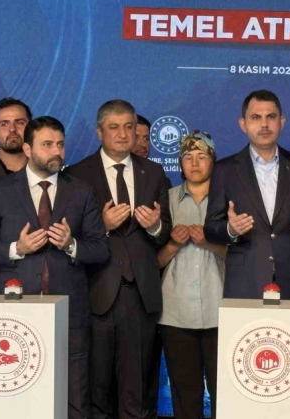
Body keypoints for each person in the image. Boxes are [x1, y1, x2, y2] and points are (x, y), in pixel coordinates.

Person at [0, 116, 109, 418]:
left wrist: (71, 245)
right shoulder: (0, 191)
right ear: (27, 149)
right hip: (16, 312)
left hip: (70, 311)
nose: (56, 151)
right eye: (47, 144)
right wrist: (16, 249)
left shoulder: (81, 190)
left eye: (60, 144)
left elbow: (100, 248)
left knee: (75, 395)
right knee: (20, 399)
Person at [67, 99, 172, 419]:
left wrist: (154, 226)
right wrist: (102, 226)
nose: (123, 134)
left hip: (140, 296)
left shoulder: (154, 172)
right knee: (97, 390)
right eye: (114, 127)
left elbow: (164, 232)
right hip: (96, 294)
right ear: (100, 132)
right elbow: (66, 238)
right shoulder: (77, 174)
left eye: (129, 127)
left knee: (136, 391)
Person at [204, 89, 290, 300]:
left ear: (282, 122)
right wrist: (230, 229)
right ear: (242, 124)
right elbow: (210, 228)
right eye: (256, 117)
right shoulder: (224, 170)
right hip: (245, 283)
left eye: (271, 117)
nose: (264, 124)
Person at [157, 131, 226, 419]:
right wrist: (174, 244)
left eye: (201, 157)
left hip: (221, 311)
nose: (194, 163)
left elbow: (245, 258)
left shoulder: (228, 201)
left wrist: (209, 243)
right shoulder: (166, 200)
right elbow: (152, 263)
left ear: (213, 161)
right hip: (176, 314)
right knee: (185, 398)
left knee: (227, 396)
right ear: (180, 163)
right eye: (188, 157)